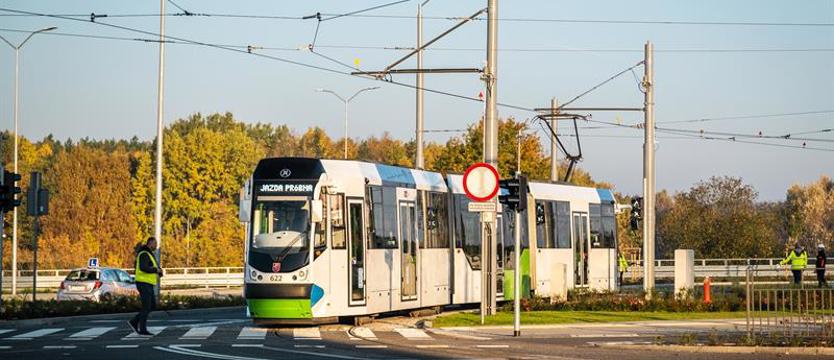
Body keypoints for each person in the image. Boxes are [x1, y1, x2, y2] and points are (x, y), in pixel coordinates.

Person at [128, 237, 163, 335]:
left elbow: (151, 266)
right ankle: (142, 329)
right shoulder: (144, 253)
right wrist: (156, 270)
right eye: (155, 244)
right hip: (143, 283)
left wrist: (159, 271)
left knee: (151, 306)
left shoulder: (148, 254)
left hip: (148, 283)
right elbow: (143, 267)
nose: (156, 246)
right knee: (147, 306)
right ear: (150, 243)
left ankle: (134, 321)